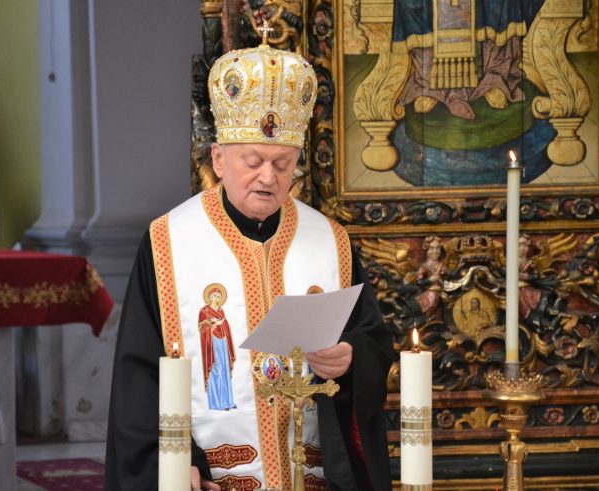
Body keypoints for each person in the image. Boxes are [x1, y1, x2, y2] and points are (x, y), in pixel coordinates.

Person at [105, 39, 393, 491]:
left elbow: (372, 338)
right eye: (253, 161)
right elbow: (138, 377)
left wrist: (351, 357)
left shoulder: (330, 241)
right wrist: (177, 460)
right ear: (219, 159)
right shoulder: (169, 242)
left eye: (283, 163)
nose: (268, 177)